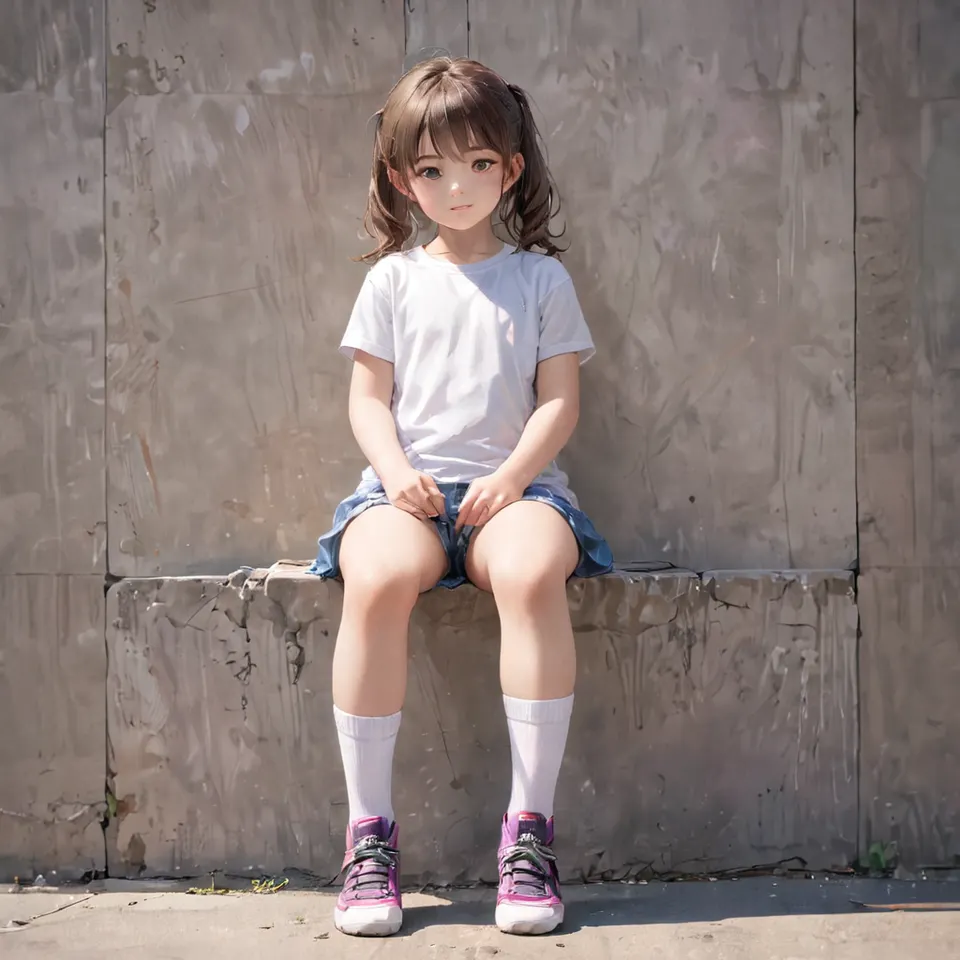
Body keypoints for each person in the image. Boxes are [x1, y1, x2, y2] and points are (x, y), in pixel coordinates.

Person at [309, 56, 613, 938]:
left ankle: (529, 832)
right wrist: (396, 470)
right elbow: (367, 399)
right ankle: (368, 833)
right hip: (402, 495)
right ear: (403, 178)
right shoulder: (393, 280)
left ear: (510, 170)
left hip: (516, 497)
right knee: (373, 579)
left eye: (479, 165)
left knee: (526, 575)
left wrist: (514, 477)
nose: (456, 186)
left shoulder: (539, 280)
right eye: (432, 169)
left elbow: (560, 399)